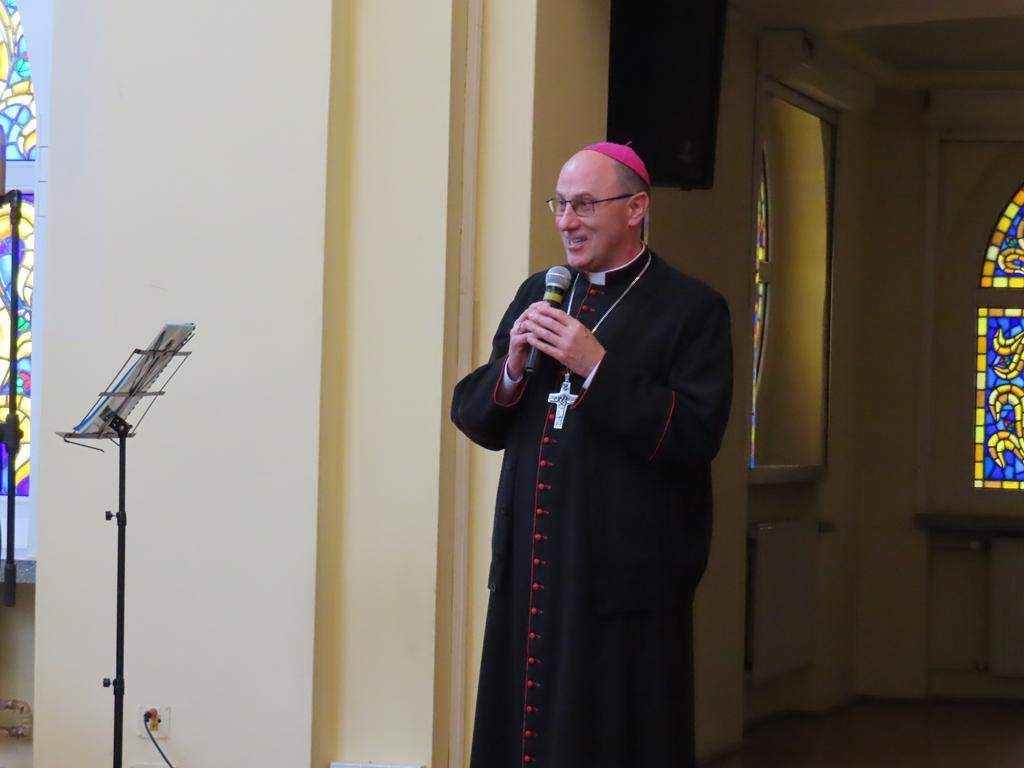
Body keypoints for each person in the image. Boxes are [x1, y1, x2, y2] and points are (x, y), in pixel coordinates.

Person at [451, 142, 733, 767]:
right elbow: (476, 418)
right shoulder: (541, 291)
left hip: (623, 588)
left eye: (583, 205)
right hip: (532, 571)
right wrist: (512, 369)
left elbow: (695, 436)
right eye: (559, 204)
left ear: (635, 208)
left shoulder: (692, 309)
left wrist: (597, 366)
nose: (566, 221)